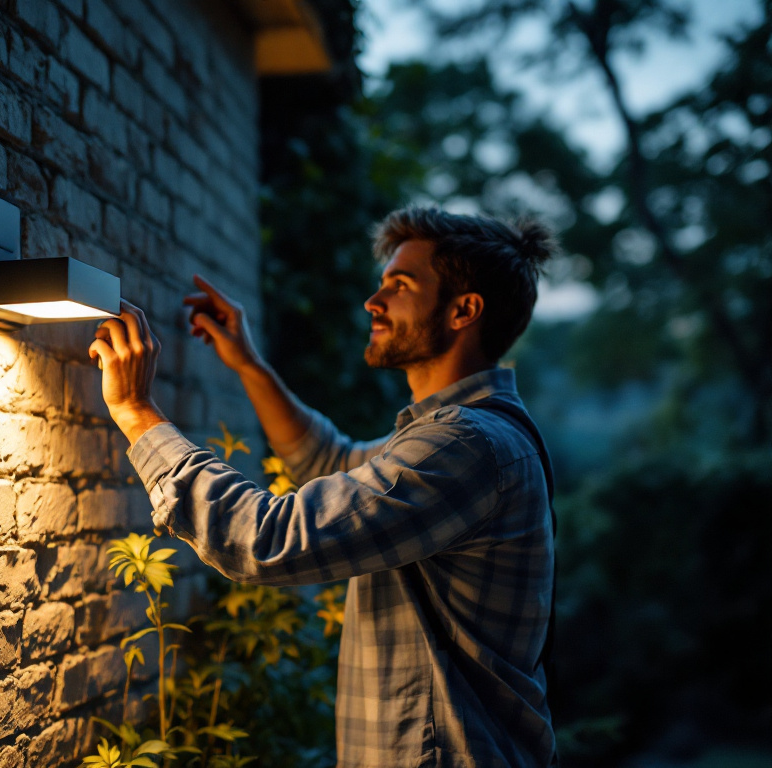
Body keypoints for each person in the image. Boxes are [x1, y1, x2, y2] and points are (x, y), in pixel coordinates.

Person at [89, 207, 559, 768]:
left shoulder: (466, 445)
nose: (373, 301)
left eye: (400, 285)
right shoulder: (459, 435)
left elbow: (268, 540)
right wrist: (249, 365)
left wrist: (137, 412)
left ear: (464, 311)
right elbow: (327, 460)